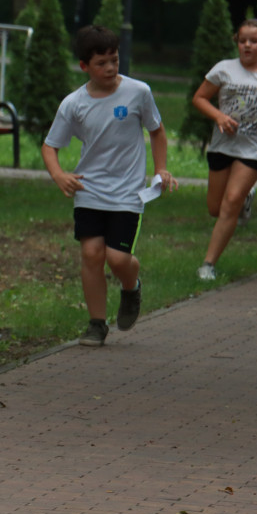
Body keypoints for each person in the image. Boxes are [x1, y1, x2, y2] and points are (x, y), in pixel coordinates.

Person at [41, 25, 177, 346]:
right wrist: (59, 175)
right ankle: (96, 324)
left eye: (114, 60)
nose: (110, 68)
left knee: (117, 260)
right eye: (101, 63)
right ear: (84, 66)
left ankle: (131, 288)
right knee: (91, 254)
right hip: (89, 190)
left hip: (128, 193)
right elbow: (50, 146)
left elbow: (157, 131)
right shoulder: (73, 103)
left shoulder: (138, 92)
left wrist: (161, 169)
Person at [191, 18, 257, 280]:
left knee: (231, 203)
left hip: (254, 147)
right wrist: (219, 117)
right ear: (237, 42)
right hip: (223, 144)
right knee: (215, 209)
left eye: (253, 41)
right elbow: (199, 98)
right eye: (242, 41)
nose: (247, 46)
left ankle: (207, 265)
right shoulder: (223, 69)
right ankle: (246, 199)